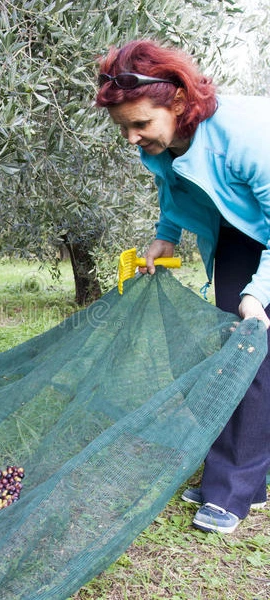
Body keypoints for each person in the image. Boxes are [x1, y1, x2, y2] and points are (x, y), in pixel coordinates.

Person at [95, 39, 270, 534]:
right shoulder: (167, 140)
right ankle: (244, 480)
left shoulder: (247, 137)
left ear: (176, 101)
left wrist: (258, 293)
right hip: (243, 230)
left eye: (140, 124)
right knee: (235, 352)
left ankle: (233, 490)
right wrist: (163, 237)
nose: (131, 137)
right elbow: (173, 187)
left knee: (256, 356)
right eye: (123, 127)